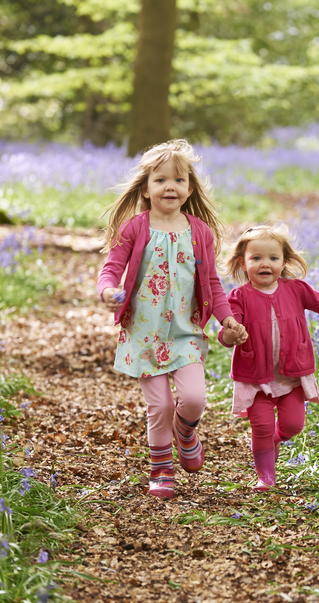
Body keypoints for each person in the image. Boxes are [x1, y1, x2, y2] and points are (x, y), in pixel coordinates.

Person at [96, 139, 248, 500]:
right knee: (160, 405)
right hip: (144, 333)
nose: (170, 187)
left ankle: (186, 431)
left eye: (178, 180)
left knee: (194, 398)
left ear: (190, 188)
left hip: (185, 332)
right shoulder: (135, 228)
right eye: (161, 180)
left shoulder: (199, 232)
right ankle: (162, 469)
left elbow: (212, 282)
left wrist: (226, 319)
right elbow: (112, 267)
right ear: (146, 189)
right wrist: (106, 290)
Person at [221, 224, 319, 491]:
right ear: (243, 263)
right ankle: (265, 476)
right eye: (256, 258)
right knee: (262, 427)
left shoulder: (296, 289)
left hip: (291, 376)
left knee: (292, 425)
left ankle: (275, 439)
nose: (265, 264)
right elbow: (228, 331)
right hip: (256, 378)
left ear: (284, 261)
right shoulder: (239, 297)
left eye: (273, 258)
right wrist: (233, 335)